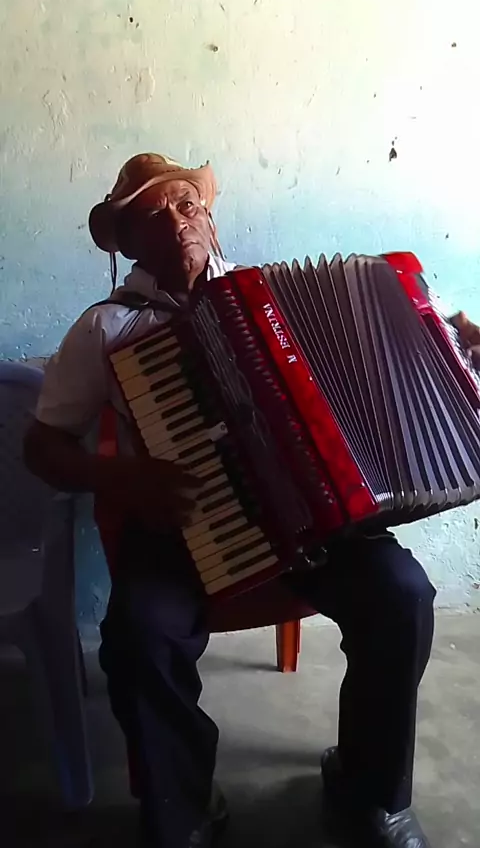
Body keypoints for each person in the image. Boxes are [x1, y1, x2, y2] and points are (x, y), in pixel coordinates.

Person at [23, 152, 480, 848]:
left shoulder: (270, 296)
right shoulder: (105, 328)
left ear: (209, 218)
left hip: (315, 526)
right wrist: (120, 478)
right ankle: (184, 807)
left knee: (403, 595)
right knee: (137, 638)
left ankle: (370, 790)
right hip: (181, 527)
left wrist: (458, 349)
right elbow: (43, 447)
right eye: (152, 215)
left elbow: (414, 346)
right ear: (127, 243)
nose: (176, 222)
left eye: (185, 204)